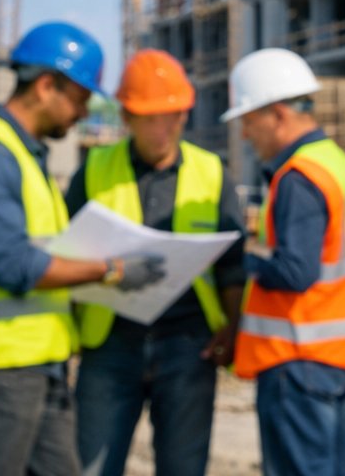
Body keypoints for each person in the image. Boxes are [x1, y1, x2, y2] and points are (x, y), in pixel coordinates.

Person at [0, 22, 166, 476]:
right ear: (48, 85)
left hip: (35, 365)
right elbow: (15, 265)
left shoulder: (24, 156)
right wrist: (109, 269)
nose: (83, 113)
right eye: (80, 99)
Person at [66, 49, 247, 476]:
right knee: (90, 467)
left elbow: (233, 264)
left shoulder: (212, 172)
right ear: (126, 117)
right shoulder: (93, 169)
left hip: (188, 344)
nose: (164, 128)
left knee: (183, 467)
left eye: (174, 116)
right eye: (150, 117)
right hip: (110, 343)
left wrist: (232, 326)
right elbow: (65, 252)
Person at [225, 48, 345, 476]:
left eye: (248, 121)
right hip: (340, 353)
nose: (244, 135)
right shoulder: (339, 165)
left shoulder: (299, 176)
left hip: (298, 358)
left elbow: (296, 272)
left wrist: (240, 259)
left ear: (276, 114)